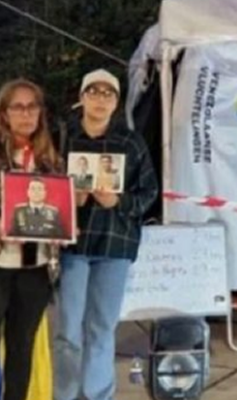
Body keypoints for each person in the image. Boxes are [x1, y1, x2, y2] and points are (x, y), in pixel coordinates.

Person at [53, 69, 158, 400]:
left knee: (102, 327)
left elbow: (149, 192)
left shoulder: (130, 142)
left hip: (115, 245)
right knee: (68, 329)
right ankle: (65, 394)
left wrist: (119, 201)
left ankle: (98, 394)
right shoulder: (62, 139)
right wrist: (70, 200)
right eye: (93, 92)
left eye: (108, 93)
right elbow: (44, 187)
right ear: (81, 97)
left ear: (116, 101)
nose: (100, 99)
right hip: (73, 246)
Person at [0, 78, 63, 400]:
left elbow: (59, 210)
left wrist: (64, 228)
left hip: (34, 267)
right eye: (18, 107)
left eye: (32, 107)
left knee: (22, 346)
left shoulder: (50, 160)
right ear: (4, 114)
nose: (26, 114)